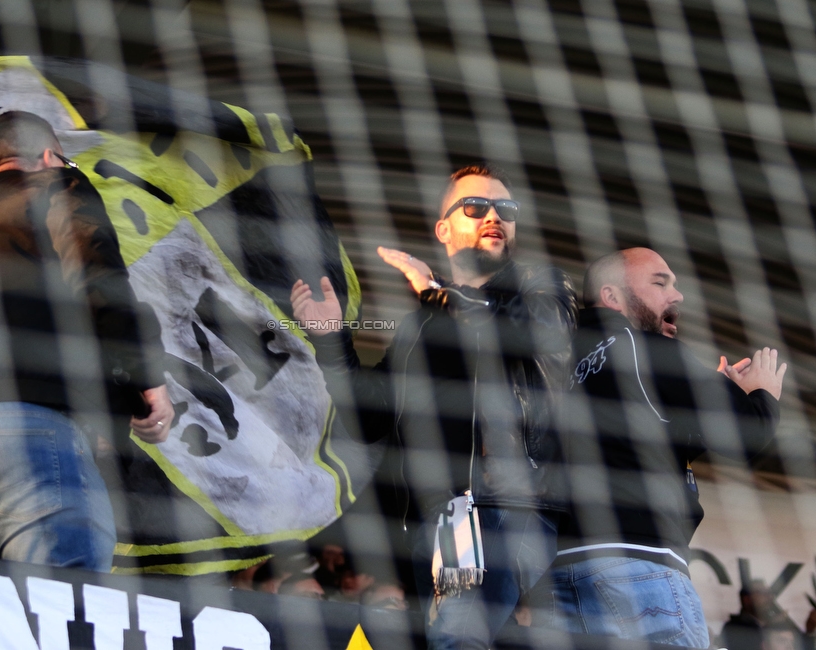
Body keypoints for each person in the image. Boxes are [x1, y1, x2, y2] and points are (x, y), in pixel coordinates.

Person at [290, 163, 577, 649]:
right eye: (476, 206)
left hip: (508, 506)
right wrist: (332, 342)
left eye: (505, 209)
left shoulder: (540, 286)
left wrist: (433, 292)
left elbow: (512, 334)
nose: (493, 217)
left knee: (457, 642)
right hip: (439, 524)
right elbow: (370, 419)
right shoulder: (418, 325)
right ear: (443, 228)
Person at [0, 111, 173, 572]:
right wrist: (147, 383)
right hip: (20, 426)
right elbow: (101, 285)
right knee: (61, 607)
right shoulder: (56, 188)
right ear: (48, 156)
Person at [532, 248, 786, 647]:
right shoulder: (645, 348)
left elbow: (639, 447)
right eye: (659, 282)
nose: (677, 295)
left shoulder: (567, 365)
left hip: (564, 578)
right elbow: (745, 436)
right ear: (612, 296)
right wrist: (761, 396)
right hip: (640, 568)